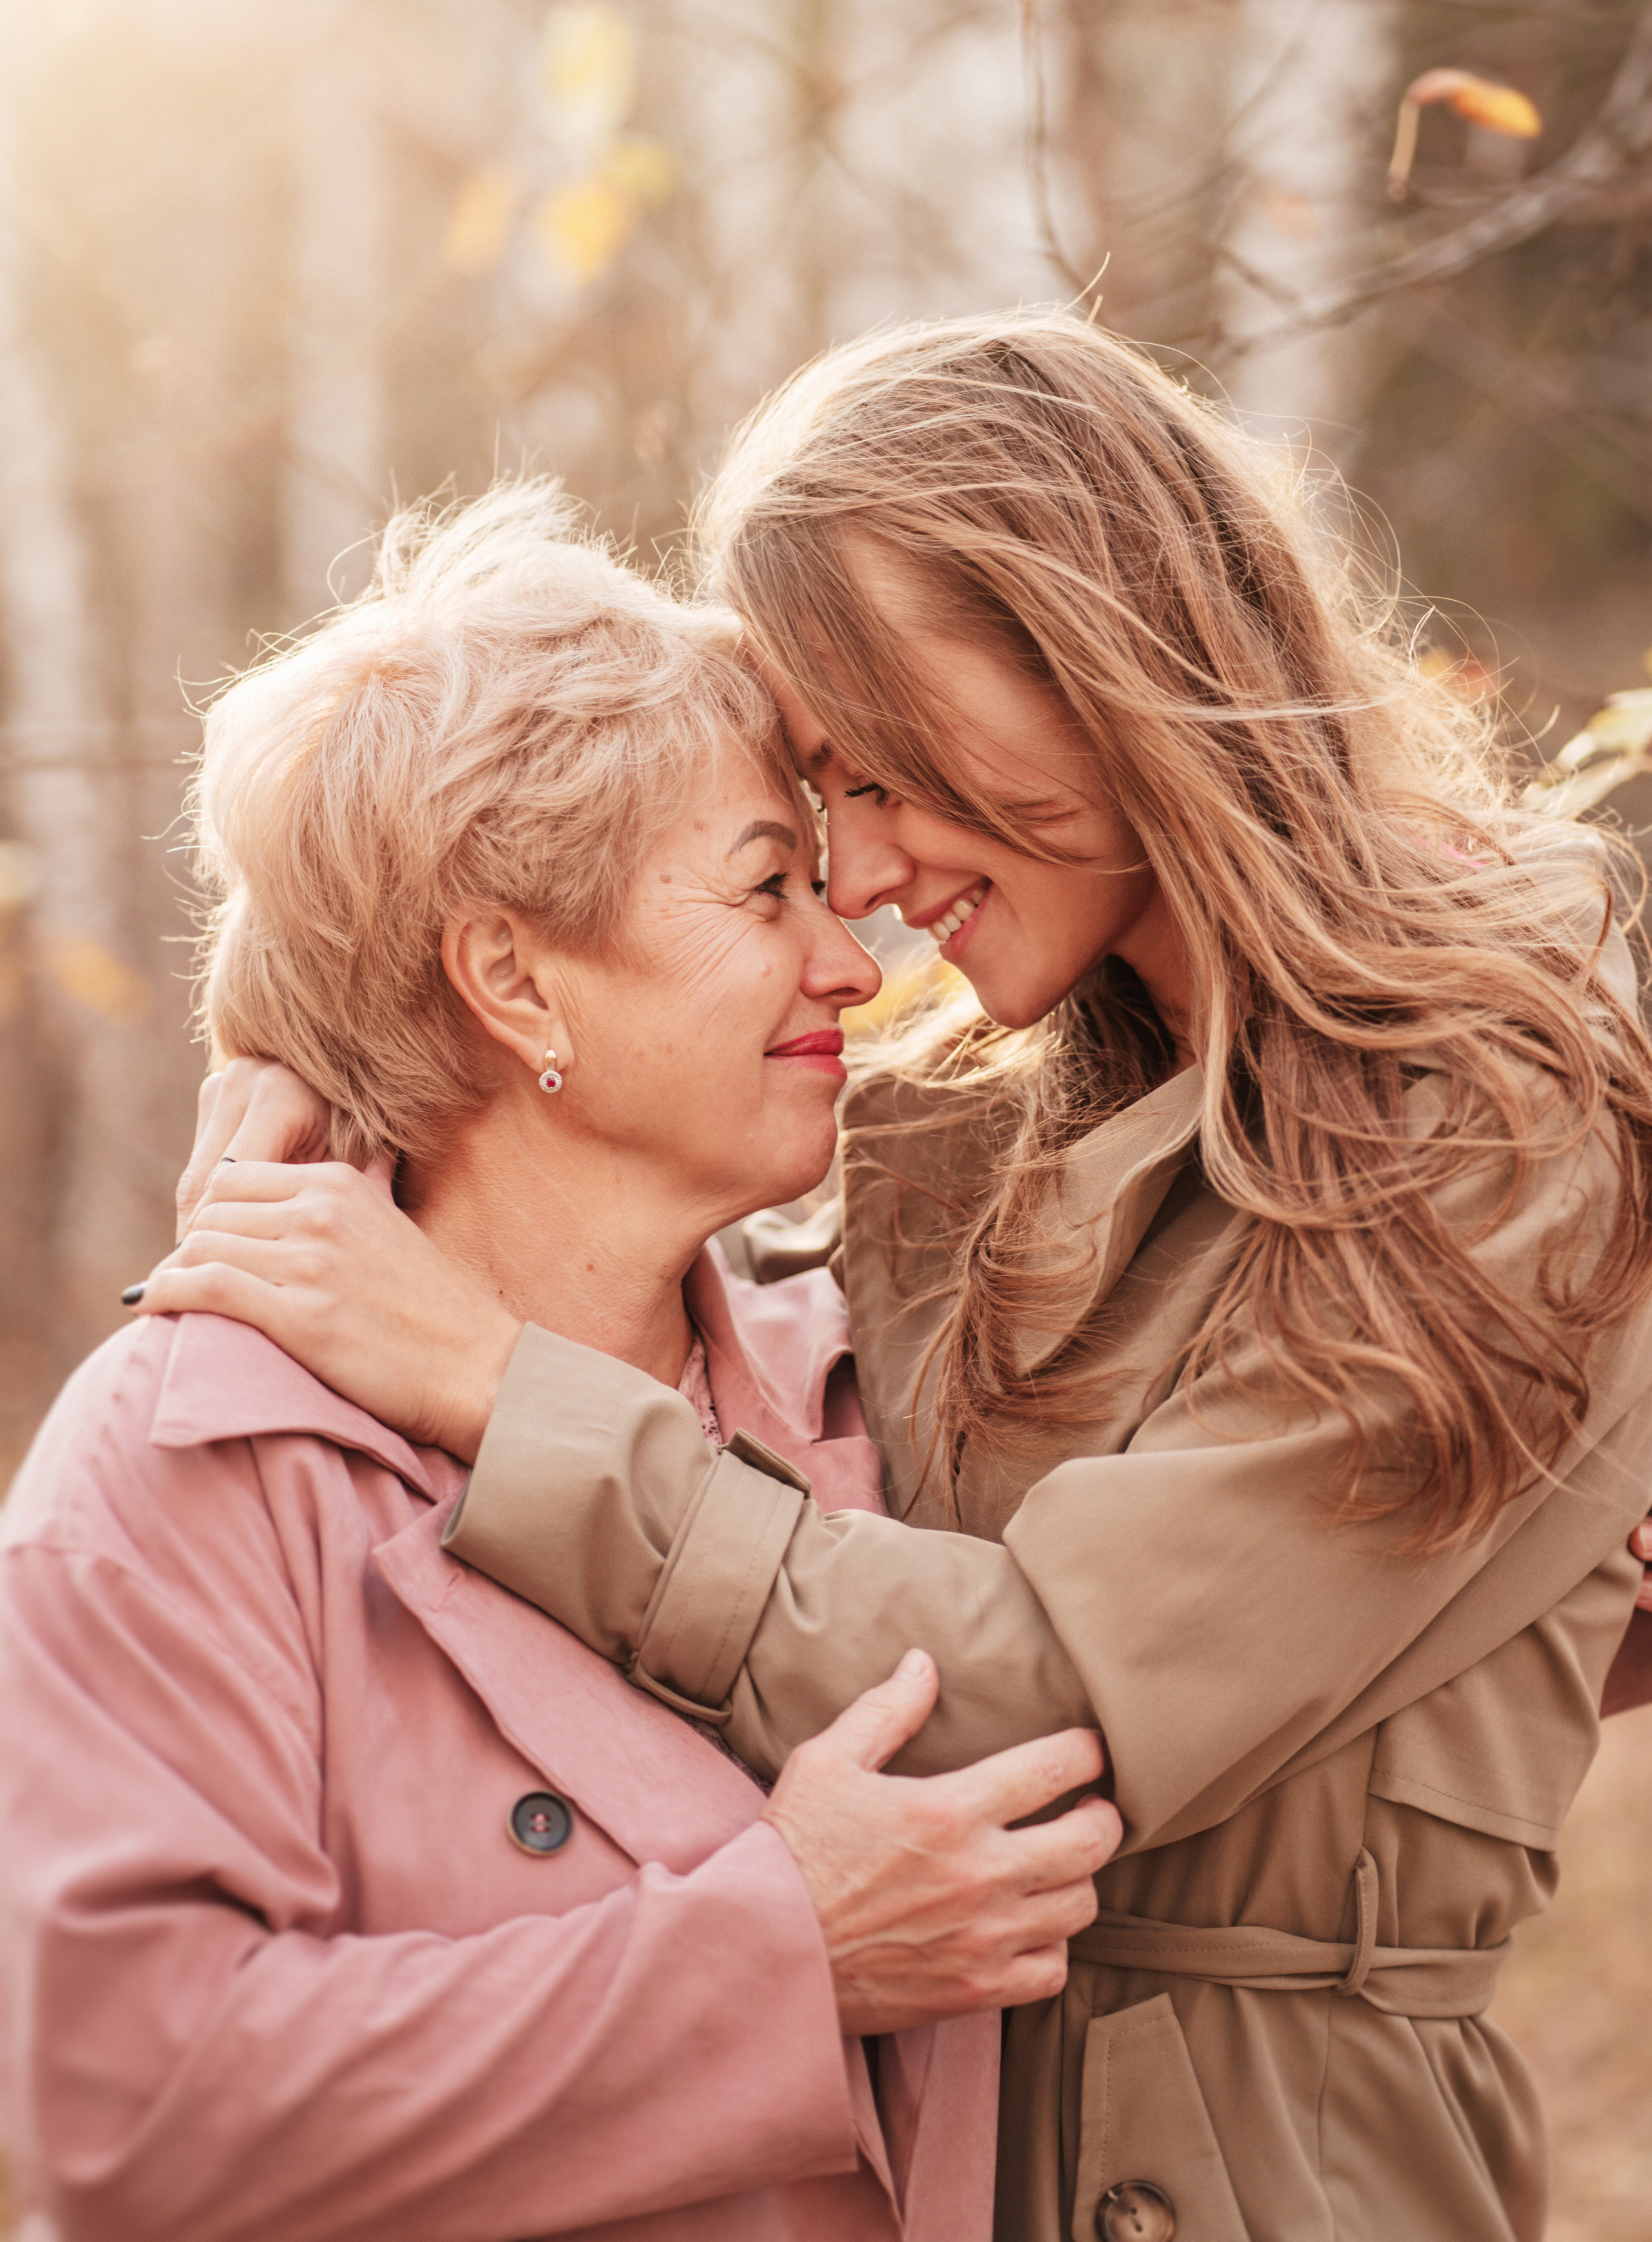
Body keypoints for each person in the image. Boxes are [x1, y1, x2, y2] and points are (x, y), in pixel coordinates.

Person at [142, 319, 1652, 2242]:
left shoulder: (1494, 1109)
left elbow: (1041, 1698)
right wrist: (307, 1071)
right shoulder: (980, 1109)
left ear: (1095, 644)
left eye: (883, 770)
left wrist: (490, 1385)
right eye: (816, 801)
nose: (856, 875)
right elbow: (719, 1350)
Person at [0, 481, 1123, 2242]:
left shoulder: (880, 1375)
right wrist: (784, 1955)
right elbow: (140, 2121)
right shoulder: (190, 1461)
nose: (852, 959)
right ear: (517, 983)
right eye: (768, 888)